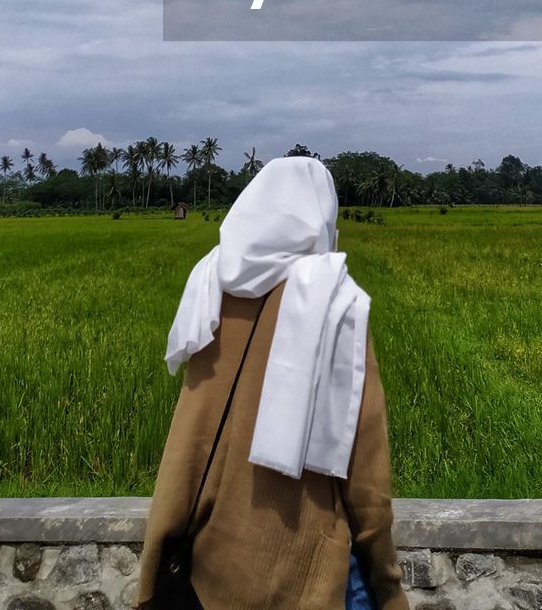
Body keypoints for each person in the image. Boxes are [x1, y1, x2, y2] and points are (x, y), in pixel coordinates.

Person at [135, 155, 410, 610]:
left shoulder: (209, 289)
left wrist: (154, 562)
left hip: (212, 570)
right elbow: (367, 479)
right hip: (309, 575)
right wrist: (388, 583)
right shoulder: (336, 303)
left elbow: (188, 444)